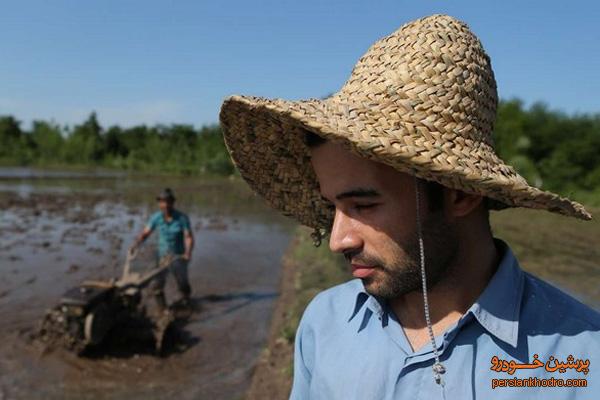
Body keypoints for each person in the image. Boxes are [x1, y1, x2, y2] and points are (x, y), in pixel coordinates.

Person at [219, 14, 600, 400]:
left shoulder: (579, 363)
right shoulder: (324, 323)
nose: (338, 240)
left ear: (460, 194)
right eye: (331, 206)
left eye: (364, 205)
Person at [130, 188, 194, 310]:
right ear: (159, 203)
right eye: (162, 202)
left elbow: (188, 237)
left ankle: (186, 300)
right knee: (157, 284)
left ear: (173, 202)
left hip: (178, 257)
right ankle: (163, 310)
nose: (165, 205)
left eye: (168, 202)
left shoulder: (182, 218)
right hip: (162, 256)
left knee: (183, 282)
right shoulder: (156, 217)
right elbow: (146, 233)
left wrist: (188, 253)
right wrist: (136, 244)